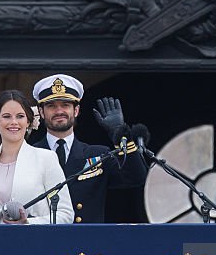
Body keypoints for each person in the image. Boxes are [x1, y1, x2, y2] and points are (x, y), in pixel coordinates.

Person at [31, 74, 147, 223]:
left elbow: (136, 178)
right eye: (52, 106)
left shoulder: (98, 154)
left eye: (65, 105)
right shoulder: (30, 154)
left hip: (86, 242)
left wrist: (121, 135)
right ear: (41, 112)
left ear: (76, 110)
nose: (59, 111)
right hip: (43, 240)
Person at [0, 90, 74, 224]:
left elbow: (65, 215)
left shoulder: (46, 158)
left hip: (34, 241)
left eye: (20, 116)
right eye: (7, 116)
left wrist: (27, 223)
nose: (14, 122)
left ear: (28, 122)